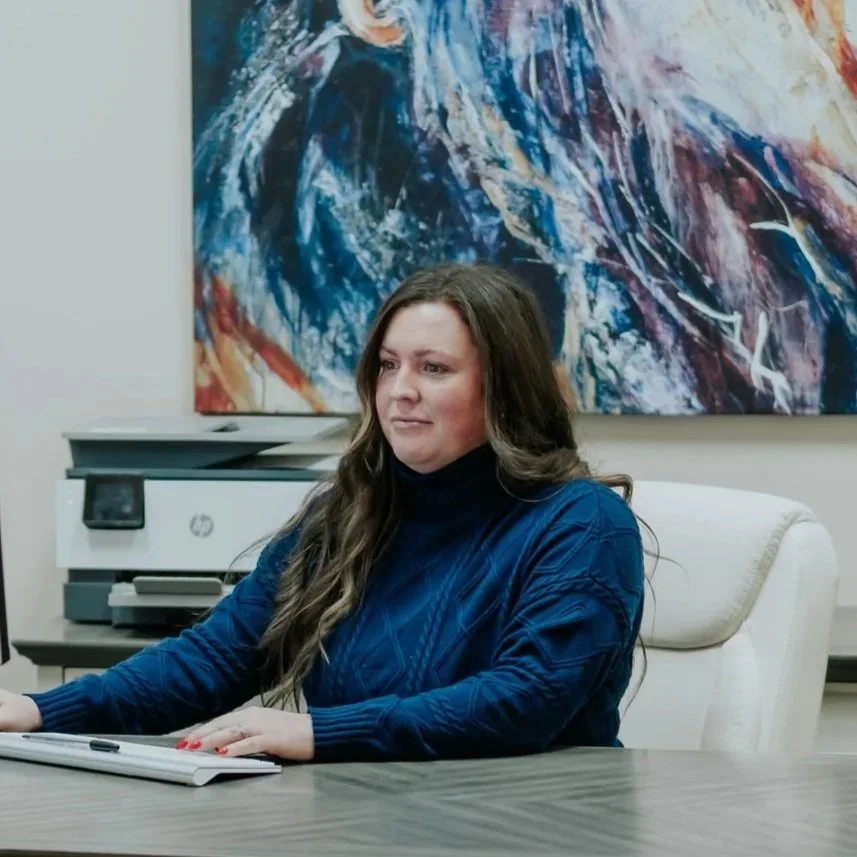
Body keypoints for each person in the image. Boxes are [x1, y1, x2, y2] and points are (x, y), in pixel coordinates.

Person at [0, 263, 645, 762]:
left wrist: (316, 731)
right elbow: (217, 658)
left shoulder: (582, 524)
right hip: (358, 826)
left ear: (504, 390)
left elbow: (524, 702)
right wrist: (38, 710)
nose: (400, 392)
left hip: (532, 833)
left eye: (435, 368)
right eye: (388, 366)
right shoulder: (350, 514)